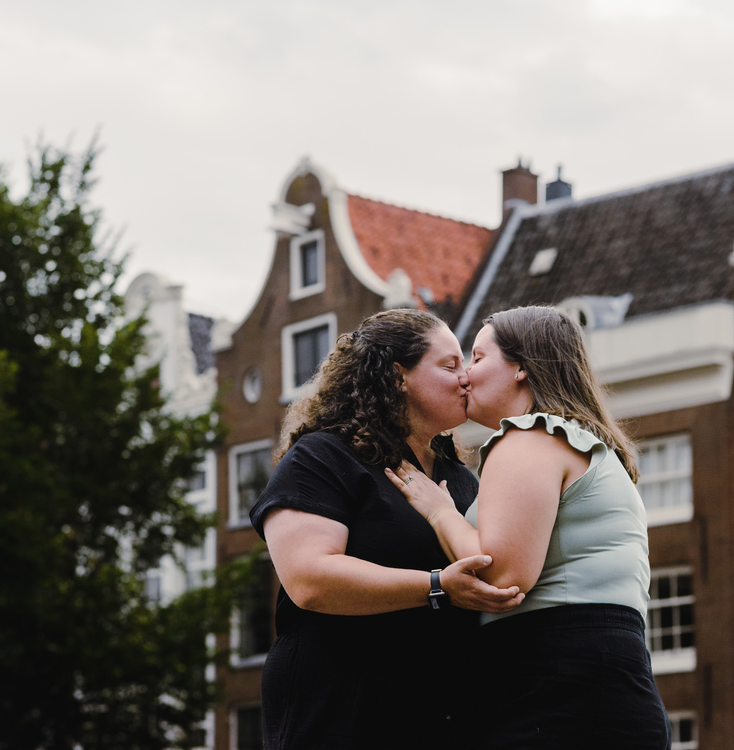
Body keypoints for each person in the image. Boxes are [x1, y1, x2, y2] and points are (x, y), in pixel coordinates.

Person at [385, 305, 670, 750]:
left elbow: (502, 578)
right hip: (601, 687)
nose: (466, 375)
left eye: (477, 358)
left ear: (520, 367)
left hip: (559, 691)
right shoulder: (584, 445)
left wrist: (440, 511)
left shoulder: (529, 437)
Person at [248, 308, 524, 750]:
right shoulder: (323, 457)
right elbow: (309, 580)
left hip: (441, 716)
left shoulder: (463, 479)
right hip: (343, 711)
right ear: (398, 377)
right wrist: (437, 586)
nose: (466, 378)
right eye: (450, 365)